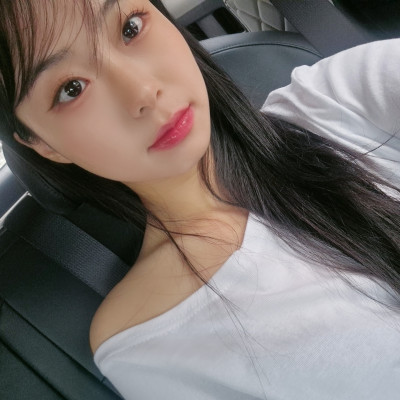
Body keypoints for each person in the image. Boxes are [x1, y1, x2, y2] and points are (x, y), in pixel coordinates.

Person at [1, 0, 400, 399]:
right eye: (71, 89)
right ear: (42, 143)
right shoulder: (146, 344)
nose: (143, 91)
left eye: (130, 28)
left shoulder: (336, 97)